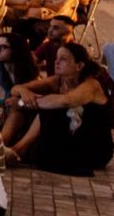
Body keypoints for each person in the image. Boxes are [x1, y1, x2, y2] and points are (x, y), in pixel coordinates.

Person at [7, 42, 112, 175]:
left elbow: (66, 101)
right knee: (20, 107)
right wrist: (23, 92)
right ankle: (3, 144)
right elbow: (15, 89)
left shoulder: (91, 85)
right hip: (70, 139)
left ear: (79, 66)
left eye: (63, 59)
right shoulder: (58, 81)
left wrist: (23, 102)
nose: (56, 62)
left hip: (93, 147)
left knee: (48, 109)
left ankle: (17, 150)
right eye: (56, 58)